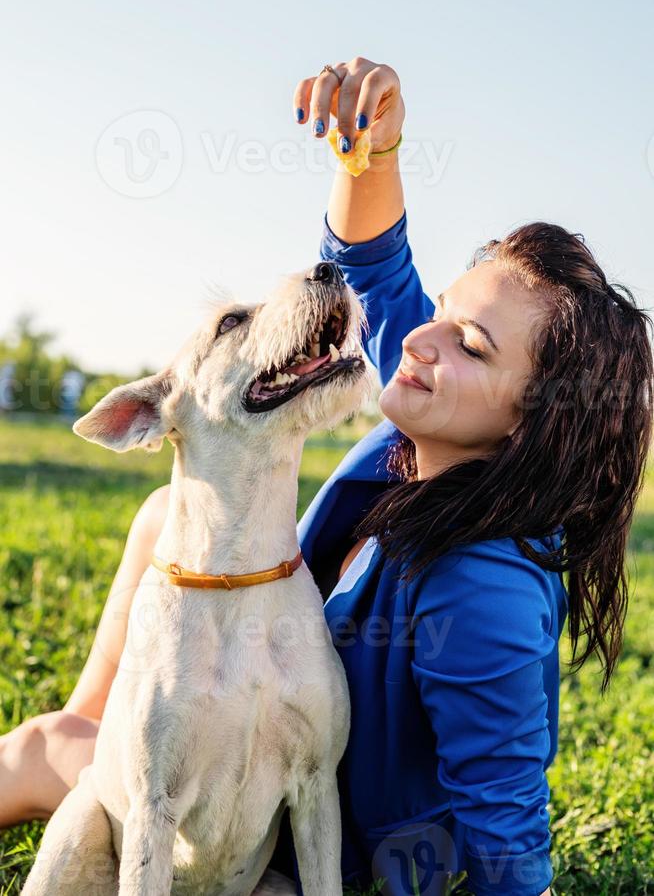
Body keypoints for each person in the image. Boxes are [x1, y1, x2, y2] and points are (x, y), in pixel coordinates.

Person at [1, 57, 651, 896]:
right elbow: (373, 270)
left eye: (471, 345)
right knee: (165, 514)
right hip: (223, 718)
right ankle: (99, 720)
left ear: (534, 420)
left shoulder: (483, 588)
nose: (421, 339)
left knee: (38, 751)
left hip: (293, 824)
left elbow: (506, 821)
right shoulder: (438, 418)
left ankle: (81, 738)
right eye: (447, 313)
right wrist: (370, 150)